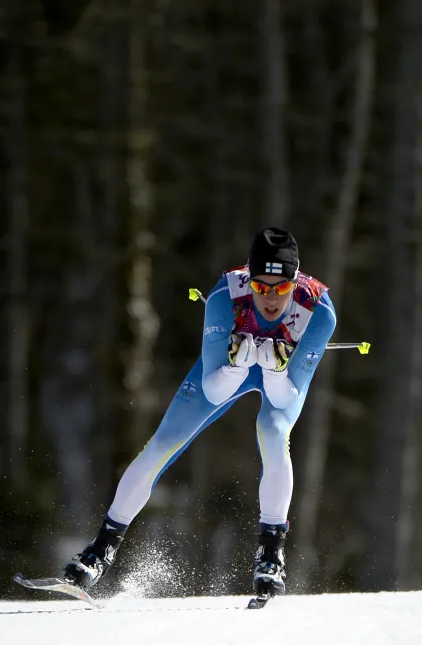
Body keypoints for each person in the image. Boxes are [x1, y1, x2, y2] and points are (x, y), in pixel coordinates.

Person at [62, 226, 337, 598]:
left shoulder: (318, 312)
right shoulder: (225, 296)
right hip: (224, 371)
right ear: (249, 280)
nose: (271, 298)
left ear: (294, 282)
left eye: (281, 288)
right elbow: (212, 388)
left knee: (274, 431)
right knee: (160, 446)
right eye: (261, 287)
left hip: (281, 380)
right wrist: (239, 366)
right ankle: (99, 552)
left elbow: (288, 400)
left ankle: (271, 556)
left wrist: (273, 370)